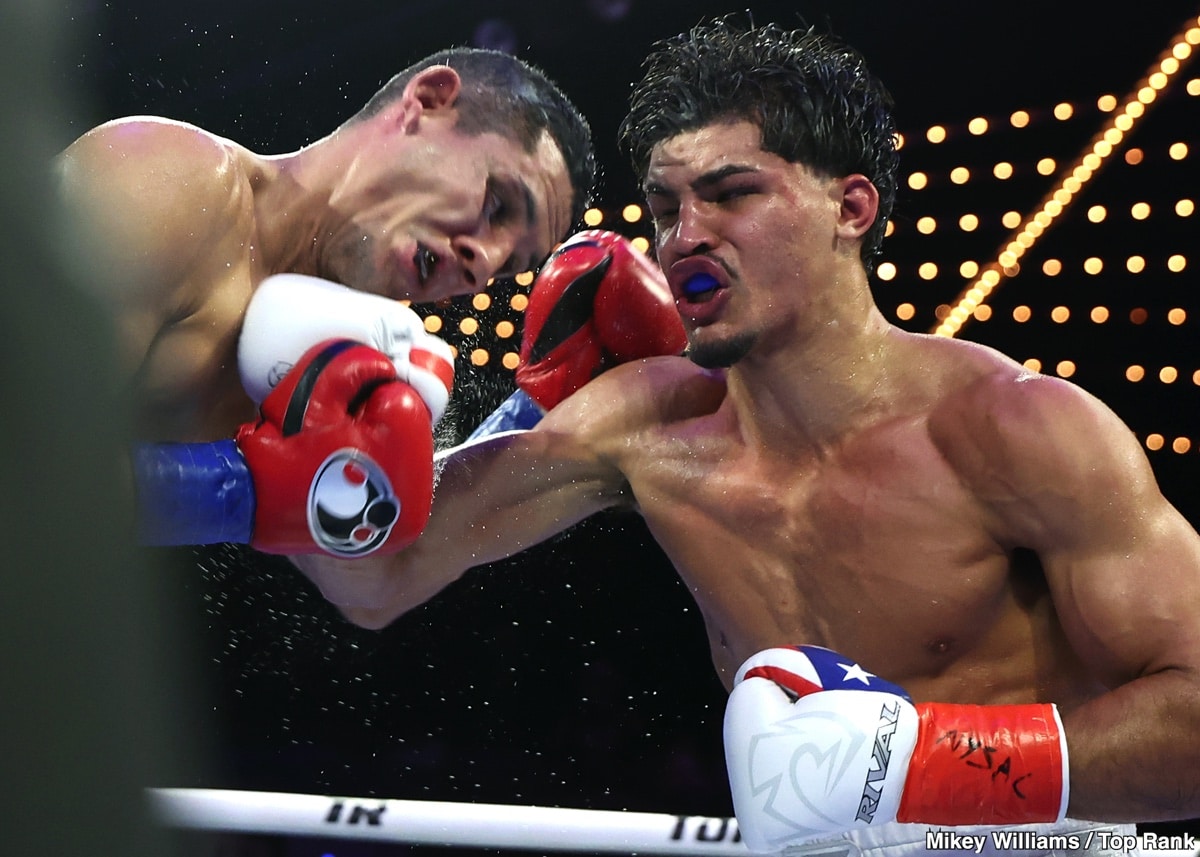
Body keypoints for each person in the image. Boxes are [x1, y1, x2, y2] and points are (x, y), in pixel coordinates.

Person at [291, 15, 1200, 855]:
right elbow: (376, 573)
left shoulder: (1011, 429)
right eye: (665, 207)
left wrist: (920, 763)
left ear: (851, 209)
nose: (685, 236)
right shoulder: (645, 426)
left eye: (730, 194)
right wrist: (355, 417)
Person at [55, 47, 598, 555]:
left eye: (508, 268)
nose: (483, 264)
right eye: (496, 203)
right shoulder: (170, 185)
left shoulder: (344, 357)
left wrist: (543, 402)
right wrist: (232, 492)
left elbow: (380, 587)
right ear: (428, 104)